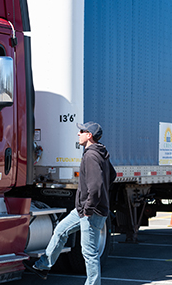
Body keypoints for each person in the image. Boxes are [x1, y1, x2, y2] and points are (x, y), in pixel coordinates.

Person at [24, 121, 116, 284]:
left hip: (91, 212)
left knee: (89, 253)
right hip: (83, 210)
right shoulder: (100, 152)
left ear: (89, 135)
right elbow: (112, 175)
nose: (78, 134)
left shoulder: (91, 155)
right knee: (60, 230)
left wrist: (89, 207)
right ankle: (43, 265)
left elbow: (96, 186)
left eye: (82, 131)